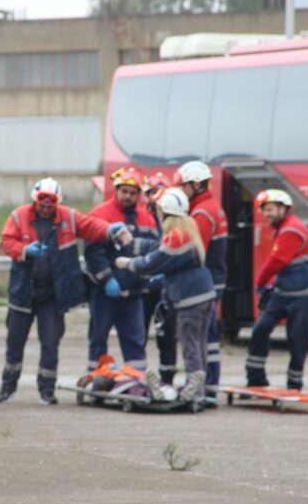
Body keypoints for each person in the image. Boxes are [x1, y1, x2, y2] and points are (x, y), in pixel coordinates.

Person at [0, 177, 112, 405]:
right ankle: (7, 388)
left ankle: (47, 391)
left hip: (53, 295)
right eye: (42, 203)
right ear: (35, 200)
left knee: (50, 344)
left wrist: (110, 230)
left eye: (51, 204)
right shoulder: (19, 216)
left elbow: (90, 226)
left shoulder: (68, 217)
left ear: (57, 203)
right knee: (14, 343)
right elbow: (7, 242)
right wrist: (25, 250)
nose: (46, 207)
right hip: (23, 293)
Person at [115, 187, 216, 406]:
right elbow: (157, 246)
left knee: (191, 348)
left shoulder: (177, 236)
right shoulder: (186, 229)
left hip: (190, 300)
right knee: (199, 346)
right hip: (204, 295)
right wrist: (130, 242)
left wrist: (128, 264)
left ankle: (195, 393)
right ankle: (198, 387)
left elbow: (154, 261)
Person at [246, 189, 308, 390]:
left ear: (283, 209)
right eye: (264, 211)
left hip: (304, 296)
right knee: (261, 328)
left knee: (297, 339)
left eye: (270, 210)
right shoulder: (282, 228)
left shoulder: (291, 230)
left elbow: (276, 261)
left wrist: (261, 283)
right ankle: (256, 378)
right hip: (284, 292)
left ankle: (294, 384)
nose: (267, 215)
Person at [84, 167, 159, 372]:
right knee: (98, 341)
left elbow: (154, 250)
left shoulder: (147, 219)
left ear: (139, 195)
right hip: (104, 292)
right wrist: (107, 279)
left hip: (134, 293)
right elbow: (92, 252)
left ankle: (137, 383)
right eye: (124, 191)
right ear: (116, 190)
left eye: (133, 193)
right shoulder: (100, 214)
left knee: (135, 342)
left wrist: (152, 276)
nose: (128, 196)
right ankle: (95, 382)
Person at [173, 161, 228, 405]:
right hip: (215, 279)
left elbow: (195, 252)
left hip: (207, 282)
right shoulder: (211, 206)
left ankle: (205, 390)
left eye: (184, 186)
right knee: (208, 338)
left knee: (205, 338)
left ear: (196, 184)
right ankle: (209, 388)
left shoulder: (202, 213)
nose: (182, 191)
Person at [142, 171, 178, 384]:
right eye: (151, 193)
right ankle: (140, 379)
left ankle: (167, 379)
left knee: (166, 337)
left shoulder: (174, 219)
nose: (153, 197)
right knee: (139, 337)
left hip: (165, 290)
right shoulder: (142, 216)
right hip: (144, 288)